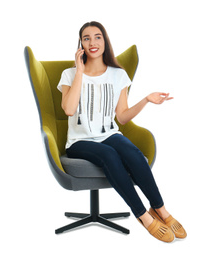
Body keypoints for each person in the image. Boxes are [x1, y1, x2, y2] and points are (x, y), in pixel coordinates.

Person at [57, 21, 186, 242]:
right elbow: (69, 109)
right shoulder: (69, 74)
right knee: (110, 155)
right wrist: (80, 71)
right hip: (80, 141)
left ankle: (160, 209)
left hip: (109, 134)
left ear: (105, 41)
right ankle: (143, 216)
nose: (92, 42)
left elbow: (123, 116)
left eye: (97, 37)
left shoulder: (118, 75)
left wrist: (146, 100)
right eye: (86, 38)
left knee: (134, 153)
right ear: (80, 44)